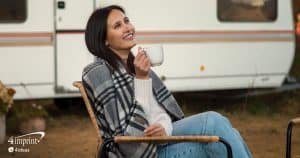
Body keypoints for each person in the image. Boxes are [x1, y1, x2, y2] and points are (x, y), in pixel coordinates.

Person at [82, 5, 253, 158]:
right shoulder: (98, 72)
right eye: (118, 26)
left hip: (161, 140)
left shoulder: (135, 65)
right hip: (143, 153)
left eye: (126, 21)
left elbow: (160, 114)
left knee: (226, 130)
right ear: (104, 39)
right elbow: (128, 142)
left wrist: (164, 127)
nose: (128, 27)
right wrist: (142, 79)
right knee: (217, 129)